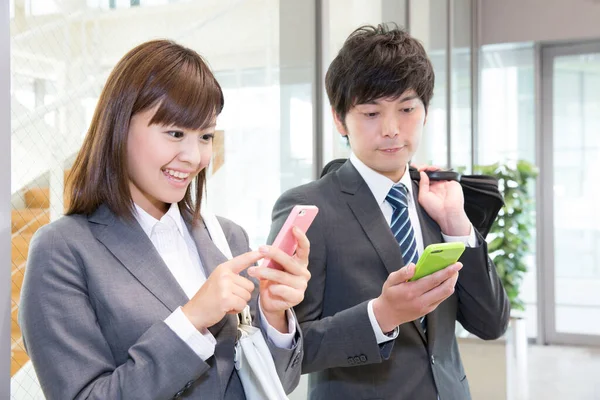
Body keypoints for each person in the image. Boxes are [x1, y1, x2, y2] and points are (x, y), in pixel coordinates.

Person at [19, 39, 310, 400]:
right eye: (175, 133)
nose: (193, 156)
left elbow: (273, 383)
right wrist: (190, 322)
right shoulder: (62, 250)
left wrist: (274, 315)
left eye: (205, 136)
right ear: (119, 127)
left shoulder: (227, 237)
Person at [267, 24, 510, 400]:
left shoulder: (438, 201)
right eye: (371, 113)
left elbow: (491, 323)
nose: (392, 129)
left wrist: (456, 226)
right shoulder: (310, 209)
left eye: (407, 109)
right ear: (338, 118)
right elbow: (290, 351)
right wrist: (380, 317)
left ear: (425, 111)